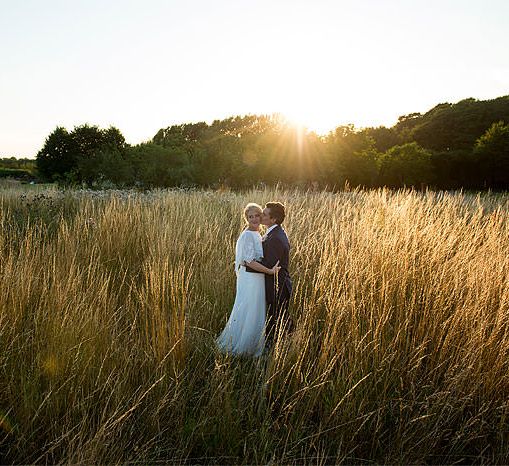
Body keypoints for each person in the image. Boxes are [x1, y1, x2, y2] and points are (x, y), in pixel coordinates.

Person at [216, 203, 280, 357]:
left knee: (256, 308)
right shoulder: (247, 235)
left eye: (257, 215)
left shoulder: (257, 233)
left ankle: (253, 343)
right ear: (246, 219)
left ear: (261, 216)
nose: (254, 219)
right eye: (250, 217)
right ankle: (243, 347)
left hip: (256, 278)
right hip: (250, 278)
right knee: (249, 308)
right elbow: (249, 261)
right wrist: (270, 271)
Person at [246, 202, 292, 349]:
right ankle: (280, 344)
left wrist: (248, 264)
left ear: (273, 219)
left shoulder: (275, 238)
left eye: (264, 215)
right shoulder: (273, 233)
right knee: (278, 316)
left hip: (277, 285)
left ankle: (274, 349)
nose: (260, 216)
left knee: (277, 318)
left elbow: (270, 265)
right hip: (275, 283)